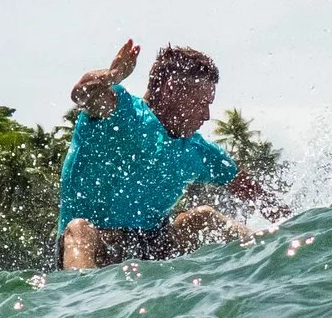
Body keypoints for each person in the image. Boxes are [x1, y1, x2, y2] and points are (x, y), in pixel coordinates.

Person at [54, 40, 275, 270]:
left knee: (203, 217)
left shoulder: (196, 150)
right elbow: (81, 95)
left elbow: (247, 186)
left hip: (150, 248)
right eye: (201, 103)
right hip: (94, 247)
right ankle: (89, 302)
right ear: (172, 90)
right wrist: (113, 75)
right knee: (79, 228)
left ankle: (271, 259)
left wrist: (291, 223)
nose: (207, 115)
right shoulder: (119, 111)